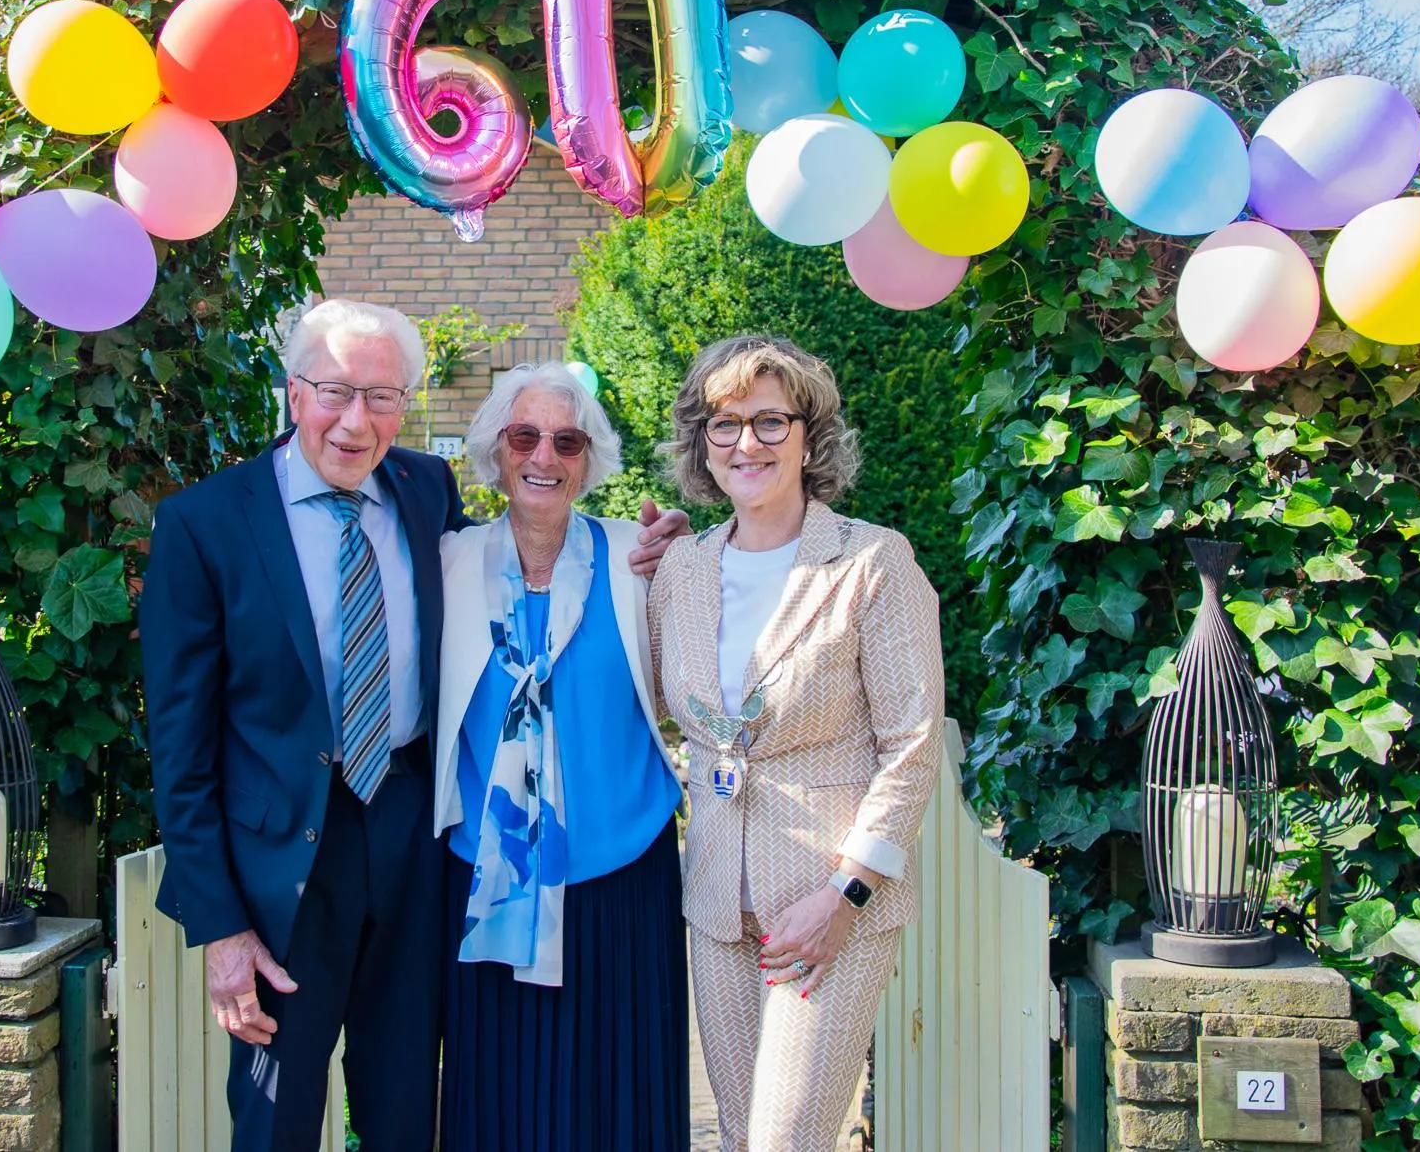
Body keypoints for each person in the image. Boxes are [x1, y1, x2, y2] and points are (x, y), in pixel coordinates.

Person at [141, 301, 687, 1152]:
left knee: (403, 1105)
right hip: (285, 868)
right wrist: (220, 926)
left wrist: (661, 547)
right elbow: (179, 750)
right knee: (276, 1113)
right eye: (335, 391)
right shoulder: (205, 524)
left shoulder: (424, 493)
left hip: (412, 845)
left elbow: (527, 579)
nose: (356, 421)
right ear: (293, 393)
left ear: (404, 407)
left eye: (383, 397)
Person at [648, 334, 945, 1152]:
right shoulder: (683, 569)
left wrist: (847, 894)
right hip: (717, 900)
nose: (747, 442)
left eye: (770, 421)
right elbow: (651, 699)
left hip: (826, 906)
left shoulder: (871, 561)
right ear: (701, 443)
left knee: (787, 1140)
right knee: (745, 1135)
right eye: (724, 422)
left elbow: (911, 745)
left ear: (809, 435)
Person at [434, 364, 687, 1152]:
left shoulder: (639, 558)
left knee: (621, 1097)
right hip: (491, 880)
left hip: (622, 879)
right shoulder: (446, 564)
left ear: (588, 458)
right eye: (525, 435)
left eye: (567, 440)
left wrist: (690, 558)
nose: (545, 455)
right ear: (495, 452)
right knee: (501, 1095)